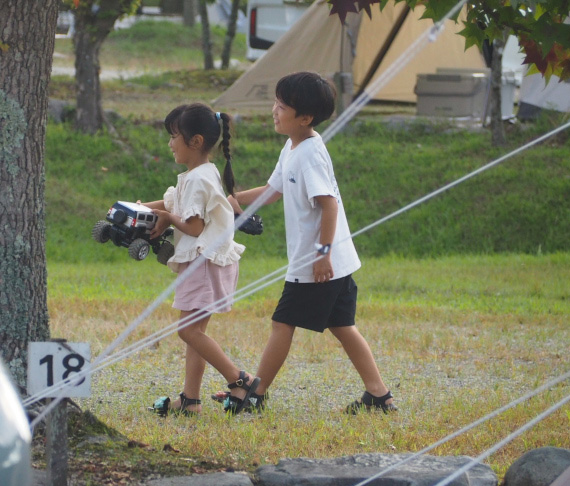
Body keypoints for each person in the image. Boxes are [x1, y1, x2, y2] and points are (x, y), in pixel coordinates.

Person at [224, 72, 397, 414]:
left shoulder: (309, 154)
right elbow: (273, 190)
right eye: (276, 103)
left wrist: (322, 255)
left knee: (282, 323)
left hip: (318, 261)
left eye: (282, 106)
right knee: (342, 326)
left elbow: (329, 205)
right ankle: (379, 396)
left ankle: (255, 394)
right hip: (334, 259)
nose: (274, 110)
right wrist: (231, 200)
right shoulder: (294, 146)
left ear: (304, 118)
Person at [142, 103, 260, 416]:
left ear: (195, 141)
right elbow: (174, 202)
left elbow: (193, 226)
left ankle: (240, 380)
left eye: (173, 136)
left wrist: (167, 218)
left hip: (204, 264)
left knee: (188, 331)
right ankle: (190, 400)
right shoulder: (201, 174)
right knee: (195, 333)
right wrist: (139, 208)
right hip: (206, 263)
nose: (170, 143)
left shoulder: (197, 179)